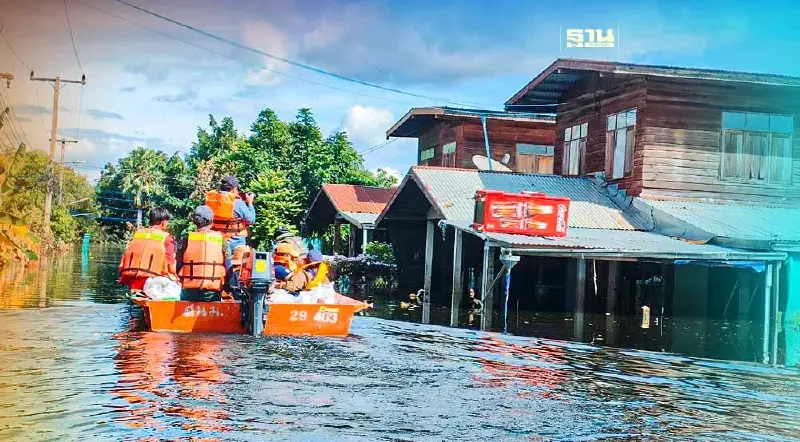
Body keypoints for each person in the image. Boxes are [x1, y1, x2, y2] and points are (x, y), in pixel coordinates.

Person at [118, 207, 178, 291]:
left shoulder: (138, 234)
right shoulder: (167, 239)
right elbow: (171, 268)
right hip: (154, 283)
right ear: (163, 222)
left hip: (133, 281)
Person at [178, 205, 227, 302]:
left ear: (194, 221)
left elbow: (178, 266)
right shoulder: (221, 239)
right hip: (212, 292)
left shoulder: (187, 239)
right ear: (211, 221)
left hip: (189, 291)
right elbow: (228, 267)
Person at [205, 176, 255, 264]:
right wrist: (250, 203)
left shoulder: (211, 199)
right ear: (234, 189)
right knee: (237, 267)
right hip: (235, 240)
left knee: (217, 264)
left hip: (216, 239)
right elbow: (251, 220)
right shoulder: (237, 203)